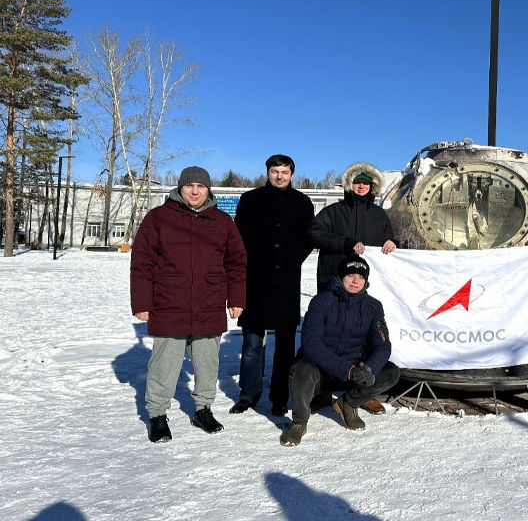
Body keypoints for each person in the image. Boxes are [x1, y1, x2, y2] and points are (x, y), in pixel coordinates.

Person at [130, 166, 247, 443]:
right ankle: (157, 415)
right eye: (189, 186)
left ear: (208, 190)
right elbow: (141, 263)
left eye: (201, 186)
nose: (195, 191)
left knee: (207, 362)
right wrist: (142, 302)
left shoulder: (222, 221)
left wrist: (237, 299)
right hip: (169, 301)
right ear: (180, 188)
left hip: (209, 301)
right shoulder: (158, 217)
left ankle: (203, 409)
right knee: (165, 363)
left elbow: (237, 263)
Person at [280, 255, 400, 446]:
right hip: (321, 371)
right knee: (302, 369)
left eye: (361, 277)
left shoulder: (373, 306)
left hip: (353, 372)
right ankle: (299, 423)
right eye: (351, 275)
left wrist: (368, 368)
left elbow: (383, 345)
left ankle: (348, 403)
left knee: (390, 372)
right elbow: (311, 344)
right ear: (341, 276)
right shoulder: (321, 301)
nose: (355, 281)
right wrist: (347, 370)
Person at [307, 161, 396, 414]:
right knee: (328, 335)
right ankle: (322, 391)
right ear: (349, 184)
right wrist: (345, 243)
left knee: (363, 335)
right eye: (357, 182)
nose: (361, 186)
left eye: (366, 183)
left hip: (363, 289)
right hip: (332, 282)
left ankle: (360, 393)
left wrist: (393, 242)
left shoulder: (379, 216)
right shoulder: (334, 212)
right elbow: (313, 234)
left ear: (373, 187)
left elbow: (388, 240)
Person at [230, 154, 315, 417]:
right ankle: (249, 393)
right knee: (252, 344)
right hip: (255, 280)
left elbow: (308, 238)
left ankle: (280, 397)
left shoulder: (302, 202)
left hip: (287, 284)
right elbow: (238, 237)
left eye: (285, 172)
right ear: (267, 172)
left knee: (285, 348)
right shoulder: (251, 199)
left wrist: (290, 260)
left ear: (292, 174)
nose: (279, 176)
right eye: (275, 171)